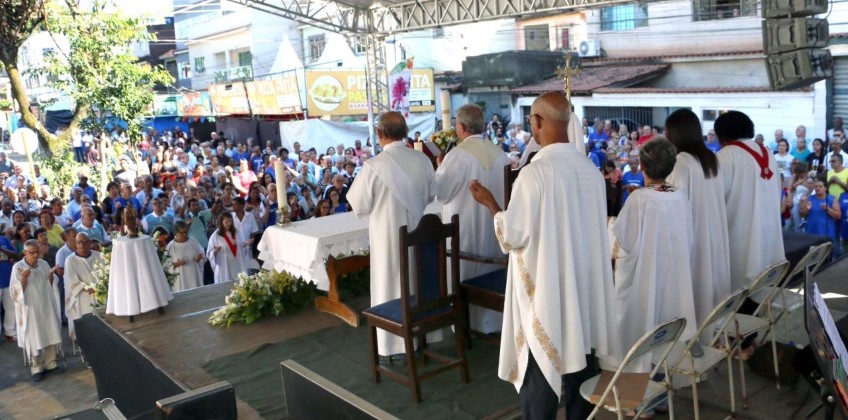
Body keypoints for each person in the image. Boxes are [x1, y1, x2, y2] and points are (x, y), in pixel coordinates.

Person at [469, 92, 619, 420]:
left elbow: (513, 234)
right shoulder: (590, 171)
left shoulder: (534, 174)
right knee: (582, 365)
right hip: (583, 291)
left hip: (549, 294)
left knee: (541, 375)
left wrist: (492, 204)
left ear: (536, 122)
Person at [348, 111, 436, 358]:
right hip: (418, 239)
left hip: (389, 241)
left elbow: (358, 205)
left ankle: (396, 347)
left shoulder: (373, 167)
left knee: (391, 284)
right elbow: (431, 195)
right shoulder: (422, 161)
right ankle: (422, 335)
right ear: (405, 132)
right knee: (416, 282)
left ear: (380, 134)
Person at [612, 138, 698, 375]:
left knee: (640, 331)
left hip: (645, 281)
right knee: (664, 331)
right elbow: (688, 239)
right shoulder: (679, 196)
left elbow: (625, 243)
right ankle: (660, 390)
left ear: (641, 165)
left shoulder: (639, 199)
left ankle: (637, 395)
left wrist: (610, 225)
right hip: (672, 278)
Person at [434, 103, 509, 333]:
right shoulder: (500, 154)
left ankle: (466, 324)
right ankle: (493, 323)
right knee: (490, 264)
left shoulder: (457, 156)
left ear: (462, 127)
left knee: (465, 270)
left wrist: (439, 168)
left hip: (464, 231)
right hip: (495, 228)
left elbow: (442, 192)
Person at [665, 109, 731, 330]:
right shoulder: (710, 158)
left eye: (667, 132)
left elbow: (671, 206)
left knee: (694, 294)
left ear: (675, 134)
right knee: (708, 294)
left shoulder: (681, 164)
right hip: (712, 235)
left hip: (693, 239)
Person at [715, 111, 785, 290]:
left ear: (722, 135)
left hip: (739, 239)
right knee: (763, 292)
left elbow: (713, 200)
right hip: (769, 234)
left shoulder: (726, 156)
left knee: (738, 296)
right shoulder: (768, 153)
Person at [10, 240, 64, 382]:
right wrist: (23, 279)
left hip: (45, 305)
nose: (35, 255)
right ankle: (36, 367)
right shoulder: (18, 267)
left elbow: (51, 285)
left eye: (37, 252)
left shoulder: (44, 264)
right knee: (34, 336)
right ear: (25, 252)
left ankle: (51, 363)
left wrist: (51, 275)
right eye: (31, 253)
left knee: (50, 332)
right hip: (30, 308)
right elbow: (14, 293)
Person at [63, 233, 102, 341]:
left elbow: (105, 273)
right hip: (82, 296)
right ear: (75, 244)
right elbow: (72, 280)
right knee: (86, 325)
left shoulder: (98, 255)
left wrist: (101, 286)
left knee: (101, 324)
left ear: (90, 243)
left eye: (85, 242)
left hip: (100, 295)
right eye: (79, 242)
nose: (83, 244)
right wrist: (86, 288)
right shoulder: (70, 260)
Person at [206, 212, 245, 284]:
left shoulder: (237, 232)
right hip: (225, 265)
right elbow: (209, 253)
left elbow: (242, 245)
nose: (229, 224)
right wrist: (215, 251)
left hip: (238, 263)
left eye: (230, 221)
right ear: (221, 222)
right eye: (226, 222)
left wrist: (245, 244)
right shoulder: (216, 236)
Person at [166, 221, 205, 292]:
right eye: (181, 233)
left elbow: (202, 253)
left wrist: (199, 258)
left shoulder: (193, 241)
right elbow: (166, 266)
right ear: (176, 233)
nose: (184, 235)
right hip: (180, 280)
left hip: (194, 276)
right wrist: (176, 264)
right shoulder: (171, 246)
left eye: (186, 232)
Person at [0, 227, 18, 341]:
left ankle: (10, 332)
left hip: (8, 279)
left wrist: (2, 250)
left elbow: (15, 254)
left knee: (10, 307)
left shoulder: (4, 239)